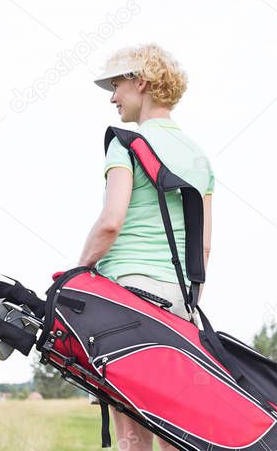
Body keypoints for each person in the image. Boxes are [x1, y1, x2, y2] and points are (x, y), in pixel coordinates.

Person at [78, 43, 214, 451]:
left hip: (123, 300)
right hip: (178, 300)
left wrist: (77, 272)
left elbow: (110, 222)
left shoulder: (126, 144)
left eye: (117, 84)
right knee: (174, 430)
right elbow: (202, 248)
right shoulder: (199, 157)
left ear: (142, 82)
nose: (113, 96)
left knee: (131, 435)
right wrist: (186, 303)